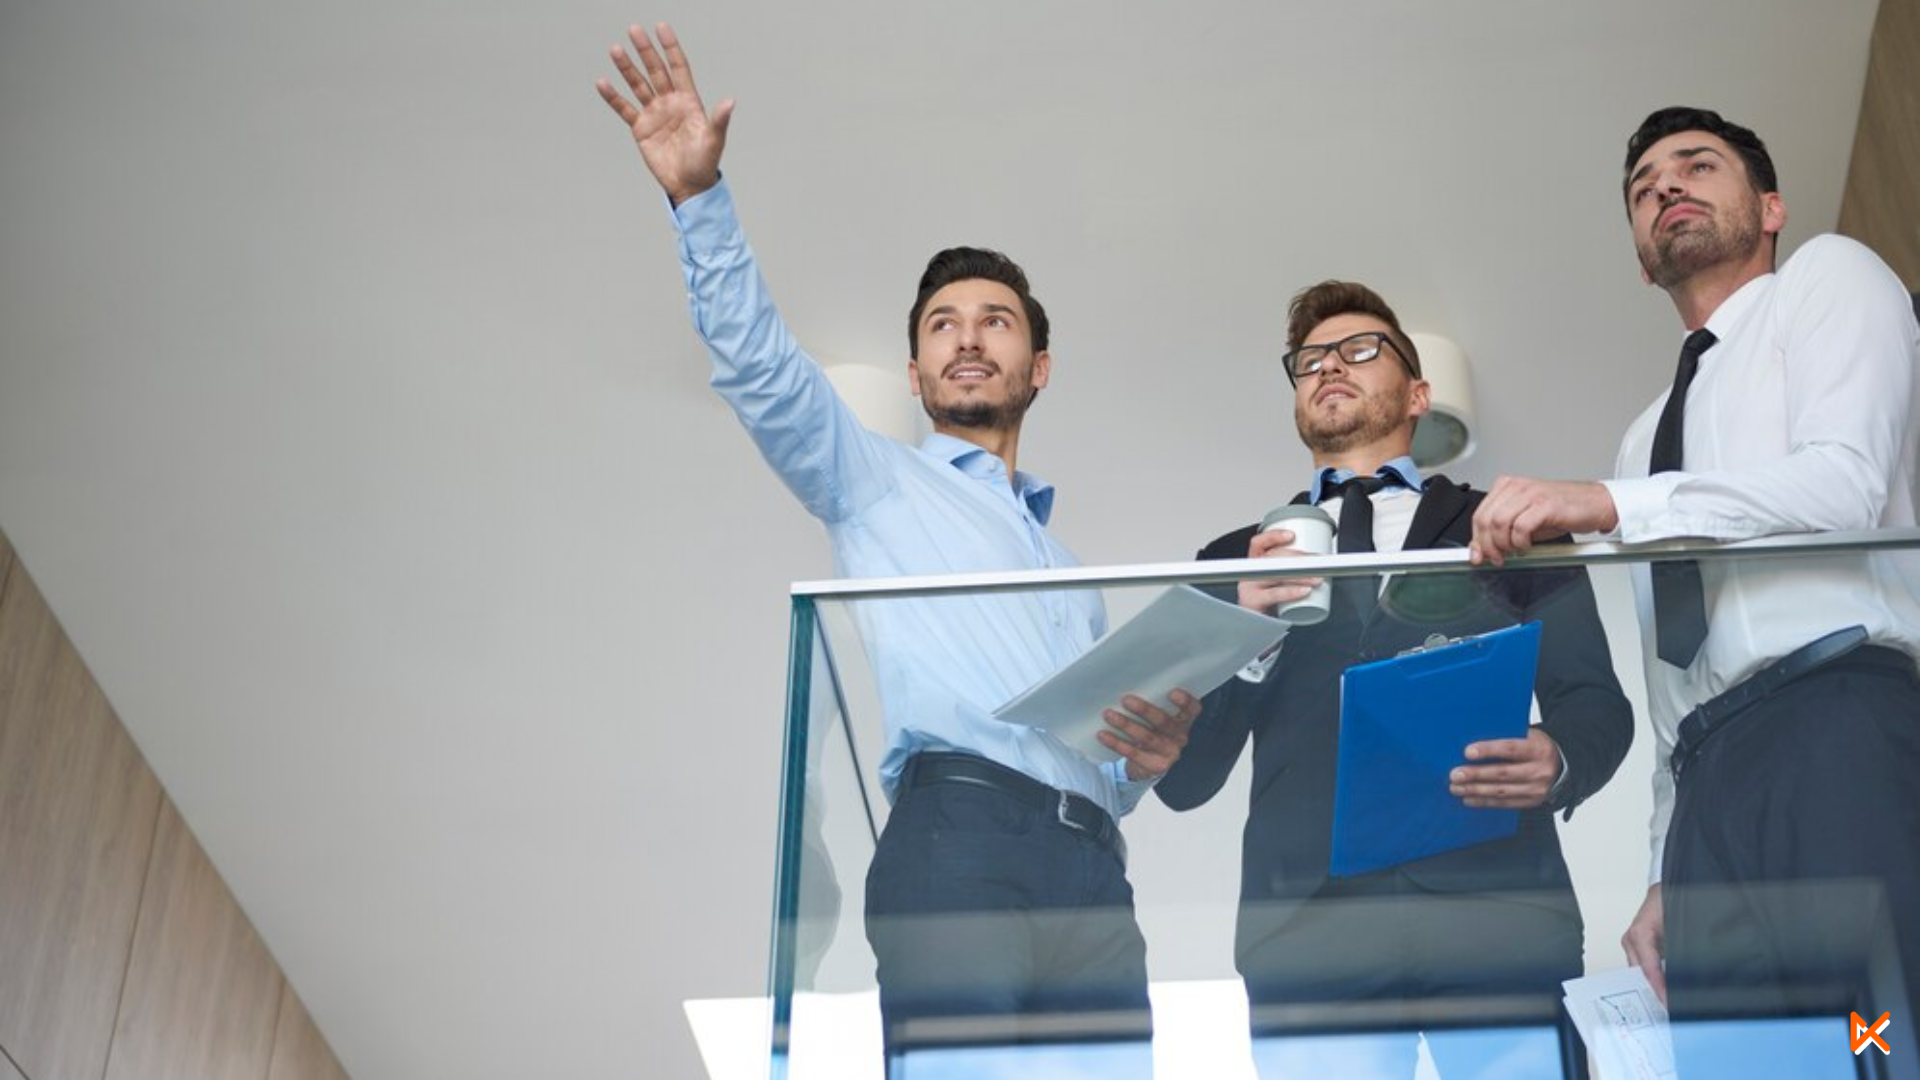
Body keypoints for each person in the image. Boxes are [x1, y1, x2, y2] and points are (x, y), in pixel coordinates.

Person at [595, 22, 1200, 1060]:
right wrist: (699, 200)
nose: (968, 336)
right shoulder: (873, 479)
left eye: (996, 321)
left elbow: (1100, 761)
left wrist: (1143, 765)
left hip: (1095, 875)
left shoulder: (1071, 573)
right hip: (957, 838)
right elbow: (762, 372)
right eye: (943, 325)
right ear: (916, 377)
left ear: (1039, 366)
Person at [1469, 107, 1920, 1029]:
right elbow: (1673, 670)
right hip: (1710, 778)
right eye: (1643, 189)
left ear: (1769, 208)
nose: (1666, 186)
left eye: (1697, 166)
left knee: (1879, 1028)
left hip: (1836, 721)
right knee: (1747, 1058)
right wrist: (1664, 863)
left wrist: (1607, 504)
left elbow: (1843, 484)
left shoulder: (1828, 276)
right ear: (1642, 261)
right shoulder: (1643, 442)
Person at [1155, 281, 1633, 1072]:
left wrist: (1557, 759)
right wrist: (1247, 638)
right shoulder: (1233, 559)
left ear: (1418, 395)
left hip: (1499, 912)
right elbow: (1185, 779)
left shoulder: (1514, 523)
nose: (1329, 365)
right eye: (1309, 360)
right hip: (1306, 933)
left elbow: (1595, 704)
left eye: (1360, 349)